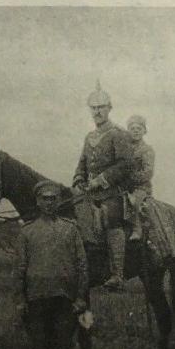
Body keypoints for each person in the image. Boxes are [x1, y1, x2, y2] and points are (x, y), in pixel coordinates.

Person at [14, 180, 88, 349]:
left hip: (64, 299)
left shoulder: (71, 229)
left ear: (59, 201)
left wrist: (80, 298)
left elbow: (82, 266)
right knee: (39, 347)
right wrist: (20, 299)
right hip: (36, 299)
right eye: (44, 199)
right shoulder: (27, 232)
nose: (49, 203)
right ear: (37, 202)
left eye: (53, 198)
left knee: (62, 346)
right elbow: (19, 268)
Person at [72, 81, 133, 290]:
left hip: (113, 192)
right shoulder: (89, 137)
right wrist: (79, 180)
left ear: (109, 108)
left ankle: (117, 274)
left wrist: (101, 180)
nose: (97, 112)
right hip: (89, 194)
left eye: (101, 107)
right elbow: (81, 164)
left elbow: (126, 164)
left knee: (111, 219)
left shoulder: (118, 134)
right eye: (94, 108)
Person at [125, 115, 155, 241]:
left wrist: (131, 179)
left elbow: (147, 172)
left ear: (144, 131)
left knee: (134, 202)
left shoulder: (147, 150)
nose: (136, 131)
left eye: (139, 128)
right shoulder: (123, 149)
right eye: (132, 128)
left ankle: (136, 229)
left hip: (140, 187)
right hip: (122, 186)